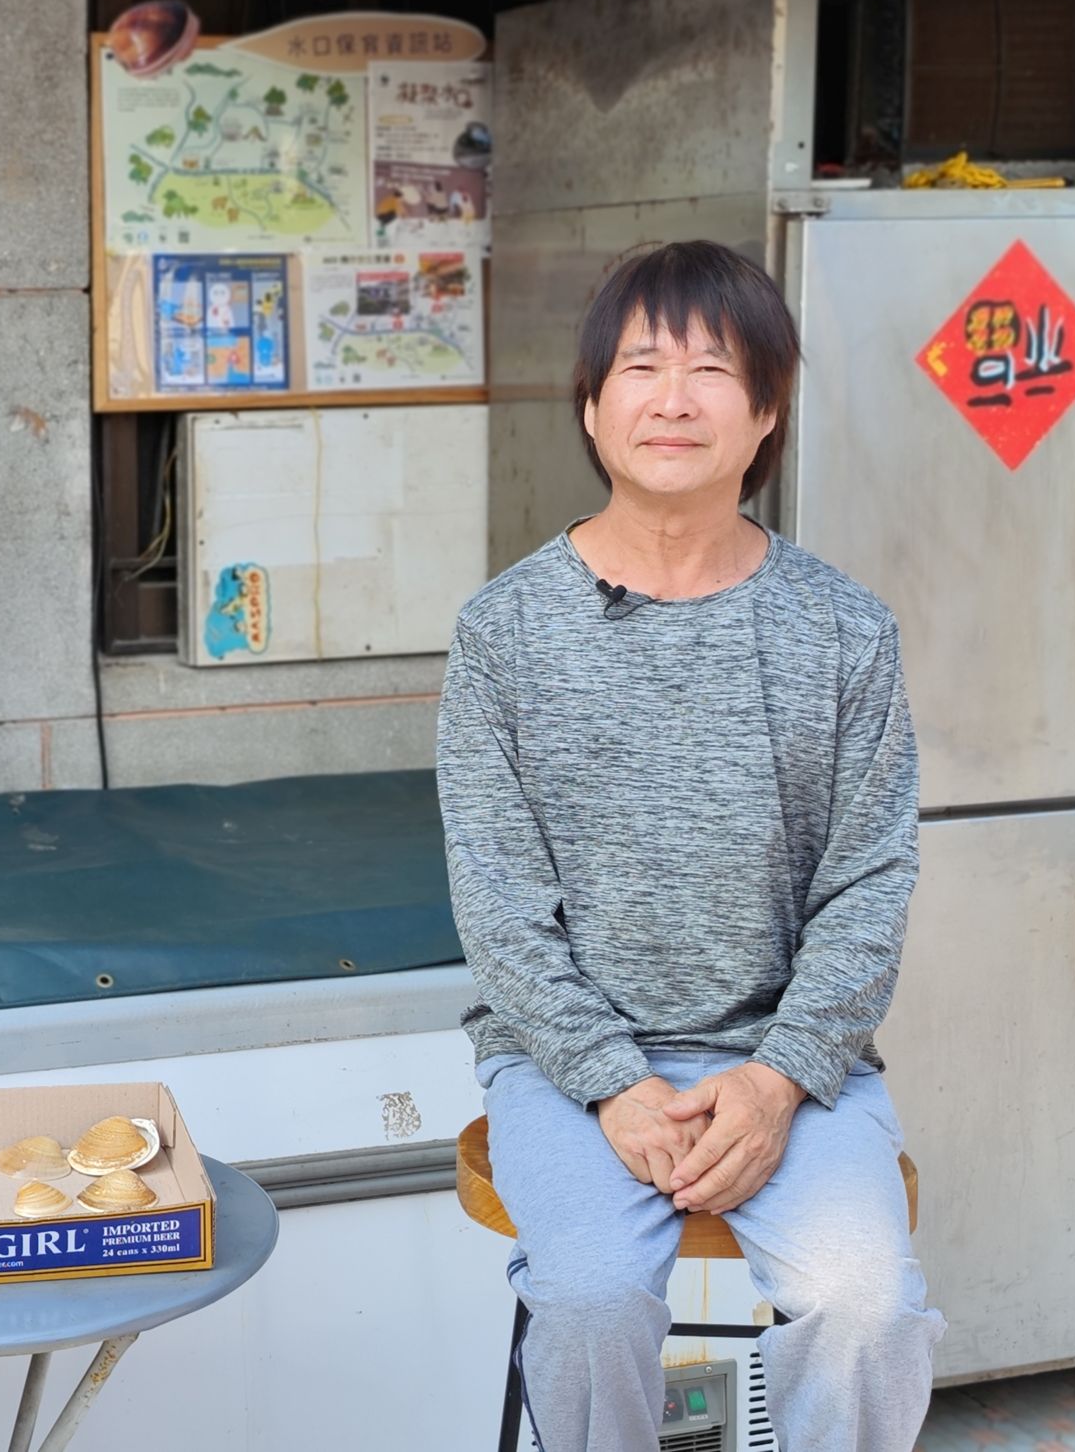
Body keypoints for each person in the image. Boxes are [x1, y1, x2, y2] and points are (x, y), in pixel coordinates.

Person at [436, 240, 944, 1450]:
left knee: (864, 1306)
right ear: (590, 405)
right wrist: (612, 1083)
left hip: (788, 1068)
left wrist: (774, 1083)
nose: (672, 398)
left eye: (713, 369)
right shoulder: (502, 633)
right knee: (587, 1297)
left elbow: (869, 885)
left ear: (764, 412)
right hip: (565, 1070)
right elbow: (497, 904)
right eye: (640, 367)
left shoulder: (842, 632)